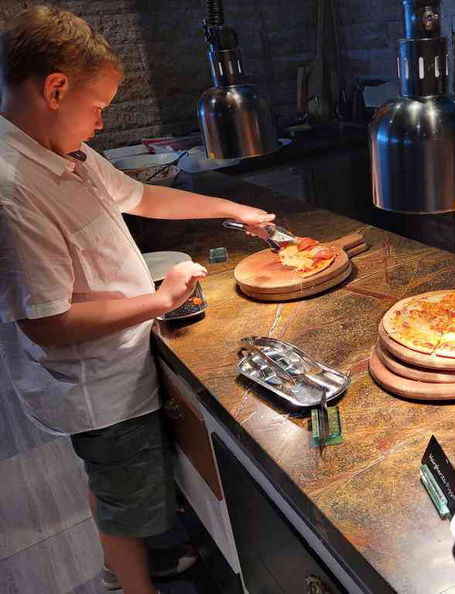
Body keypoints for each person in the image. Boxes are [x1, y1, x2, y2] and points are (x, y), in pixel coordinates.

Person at [0, 6, 275, 593]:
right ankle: (129, 583)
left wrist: (233, 209)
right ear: (54, 89)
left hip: (119, 365)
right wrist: (160, 298)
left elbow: (143, 199)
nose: (100, 123)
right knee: (125, 498)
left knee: (125, 488)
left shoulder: (60, 150)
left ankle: (135, 562)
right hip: (96, 388)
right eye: (97, 107)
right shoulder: (14, 188)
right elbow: (46, 324)